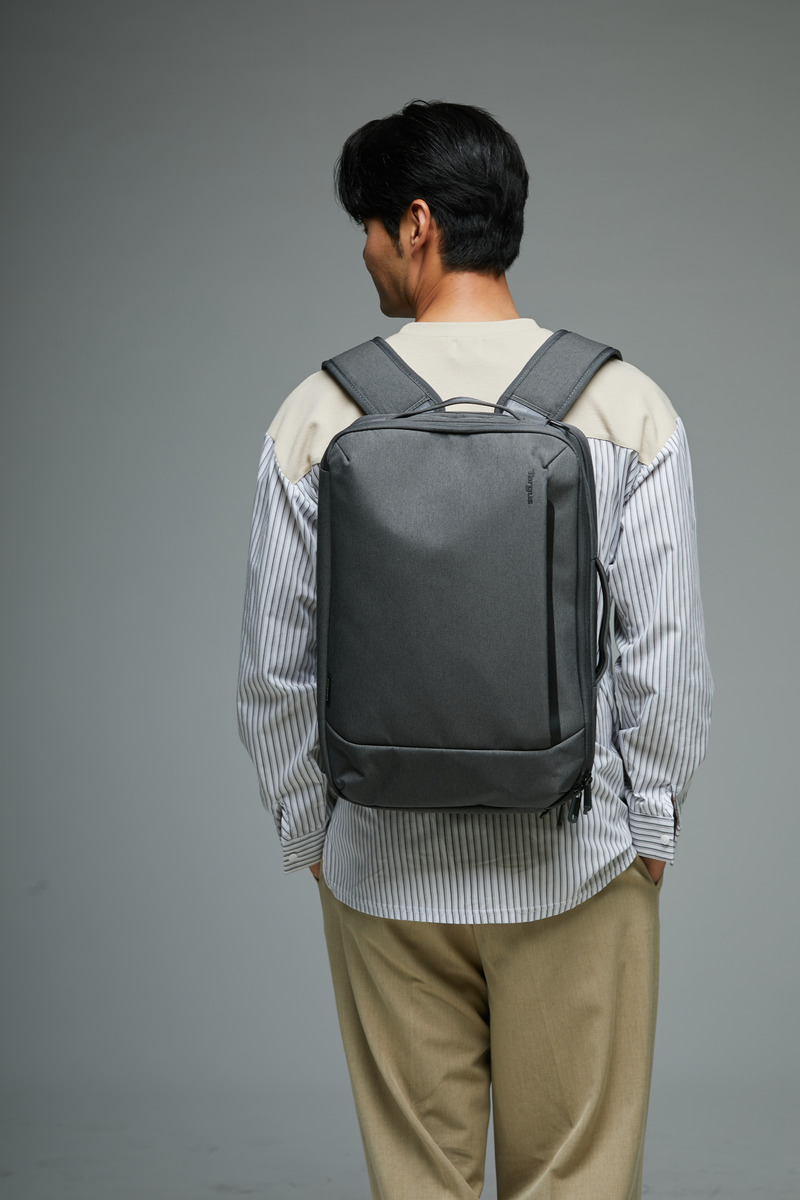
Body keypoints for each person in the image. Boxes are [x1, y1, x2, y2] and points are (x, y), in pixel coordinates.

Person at [236, 100, 712, 1200]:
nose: (364, 252)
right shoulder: (623, 405)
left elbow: (273, 664)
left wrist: (311, 828)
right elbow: (665, 650)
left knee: (419, 1182)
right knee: (576, 1179)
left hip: (382, 867)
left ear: (415, 225)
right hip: (577, 863)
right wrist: (649, 823)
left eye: (366, 227)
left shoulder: (314, 413)